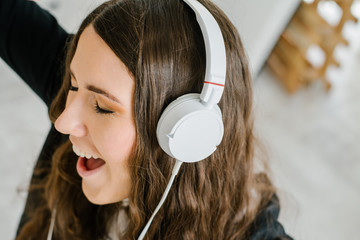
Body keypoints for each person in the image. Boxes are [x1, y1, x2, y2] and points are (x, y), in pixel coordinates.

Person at [1, 0, 294, 239]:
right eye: (73, 84)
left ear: (185, 135)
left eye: (102, 107)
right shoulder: (81, 103)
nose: (63, 122)